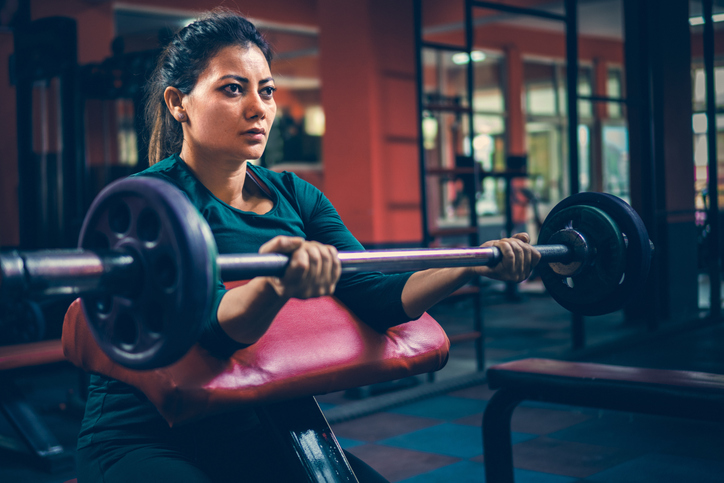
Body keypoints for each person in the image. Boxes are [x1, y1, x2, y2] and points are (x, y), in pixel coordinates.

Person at [75, 10, 540, 483]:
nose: (259, 108)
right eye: (233, 89)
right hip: (144, 434)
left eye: (267, 90)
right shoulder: (154, 203)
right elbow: (212, 330)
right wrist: (278, 283)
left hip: (254, 426)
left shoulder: (296, 196)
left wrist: (474, 265)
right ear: (179, 103)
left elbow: (376, 294)